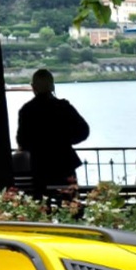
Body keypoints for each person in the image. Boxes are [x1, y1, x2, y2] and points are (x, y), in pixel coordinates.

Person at [15, 69, 90, 200]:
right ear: (52, 86)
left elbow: (22, 140)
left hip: (40, 165)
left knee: (43, 203)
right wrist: (65, 141)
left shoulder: (27, 110)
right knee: (70, 202)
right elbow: (84, 131)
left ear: (33, 87)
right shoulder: (64, 107)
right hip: (65, 163)